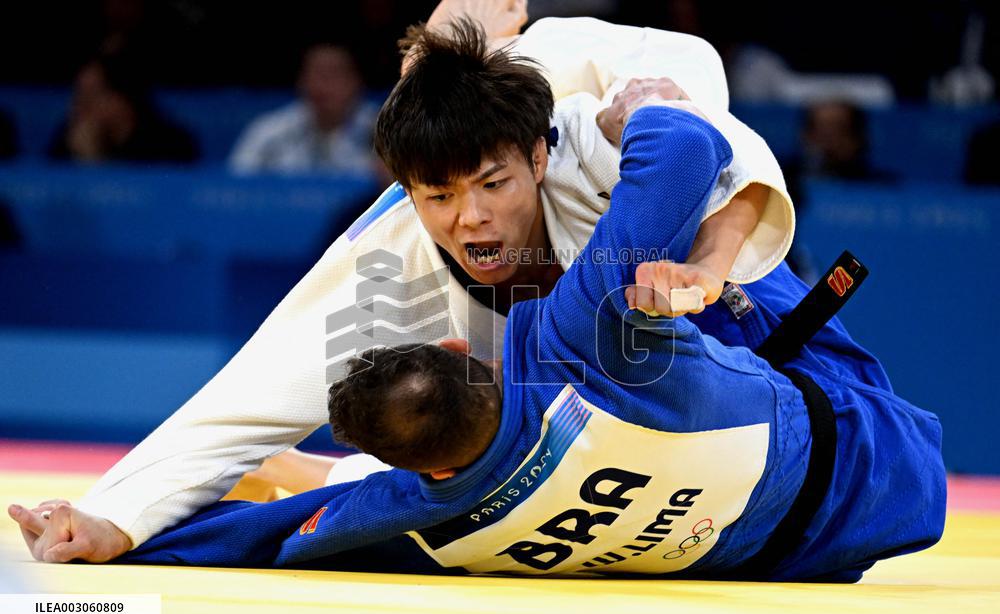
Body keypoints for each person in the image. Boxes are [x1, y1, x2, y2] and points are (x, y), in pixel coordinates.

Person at [9, 6, 796, 563]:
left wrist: (710, 265)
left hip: (713, 330)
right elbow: (240, 402)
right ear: (405, 189)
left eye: (492, 185)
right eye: (441, 197)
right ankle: (302, 473)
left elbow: (713, 136)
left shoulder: (577, 112)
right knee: (459, 455)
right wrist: (110, 519)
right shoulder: (390, 255)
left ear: (534, 154)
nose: (473, 220)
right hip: (569, 404)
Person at [107, 102, 945, 582]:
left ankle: (299, 461)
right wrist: (617, 116)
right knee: (697, 275)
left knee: (314, 491)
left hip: (798, 561)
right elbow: (688, 142)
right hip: (876, 453)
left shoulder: (413, 514)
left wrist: (111, 545)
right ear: (459, 346)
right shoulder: (585, 330)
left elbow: (262, 538)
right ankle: (717, 277)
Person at [228, 43, 382, 176]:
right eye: (316, 73)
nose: (324, 85)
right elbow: (236, 188)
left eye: (335, 74)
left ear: (357, 82)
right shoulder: (269, 132)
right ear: (301, 81)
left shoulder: (382, 132)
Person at [47, 53, 198, 164]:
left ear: (122, 100)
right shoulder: (67, 140)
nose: (80, 107)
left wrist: (96, 163)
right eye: (78, 96)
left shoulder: (170, 145)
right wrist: (84, 160)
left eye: (91, 97)